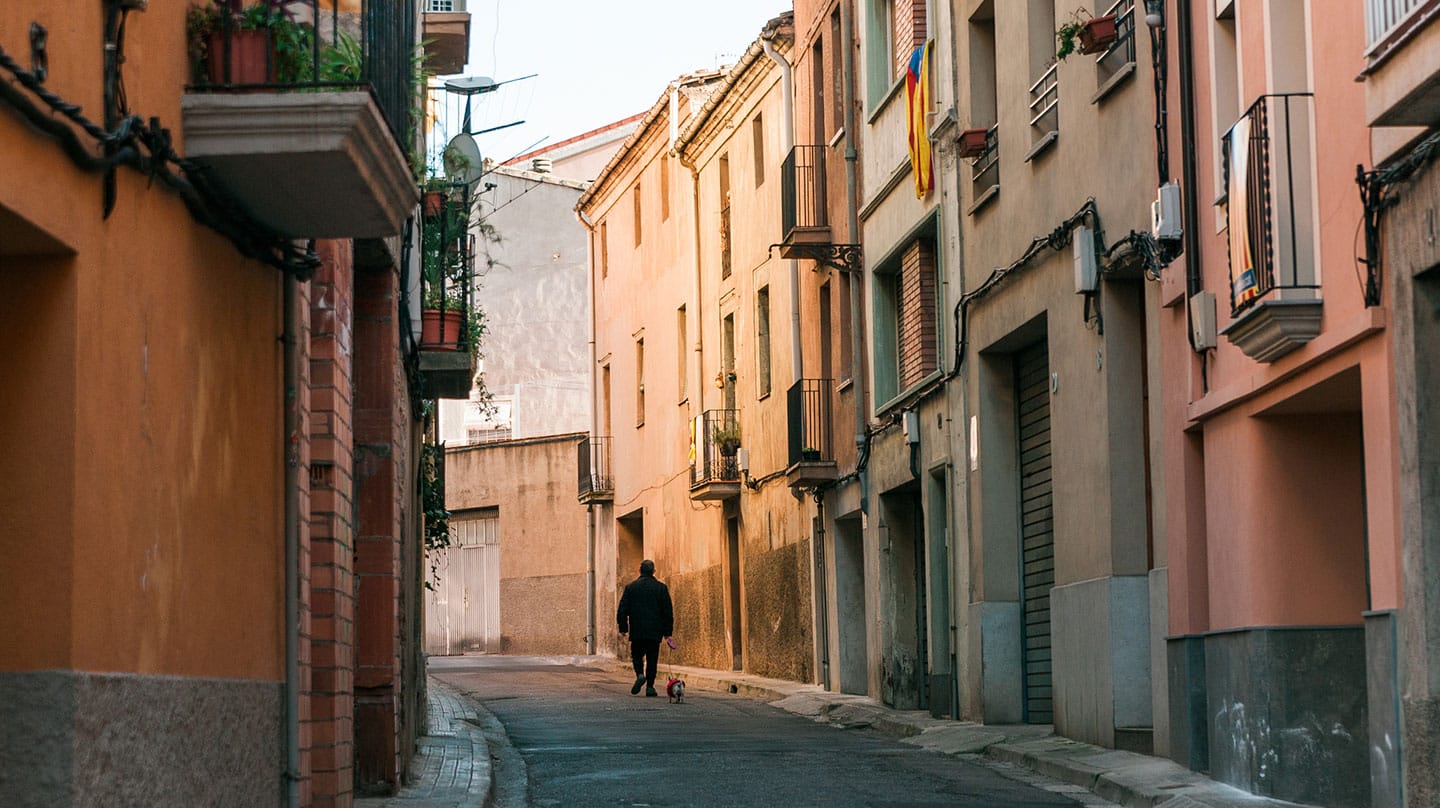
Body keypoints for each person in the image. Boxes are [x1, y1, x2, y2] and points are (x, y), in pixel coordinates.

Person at [616, 559, 674, 697]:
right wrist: (667, 632)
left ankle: (640, 674)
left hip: (637, 629)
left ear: (640, 571)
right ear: (653, 571)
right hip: (655, 631)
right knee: (652, 658)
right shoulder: (661, 588)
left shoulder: (631, 587)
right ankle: (650, 686)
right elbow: (667, 611)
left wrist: (623, 627)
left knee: (637, 655)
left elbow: (622, 609)